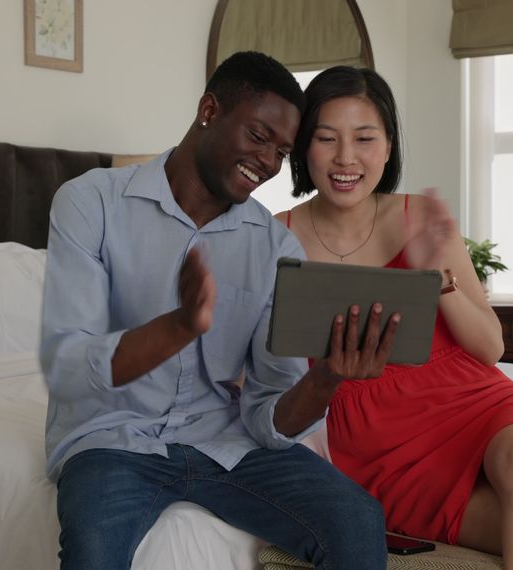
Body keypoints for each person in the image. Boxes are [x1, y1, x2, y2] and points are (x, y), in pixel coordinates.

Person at [41, 52, 400, 570]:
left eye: (282, 151)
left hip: (226, 443)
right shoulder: (90, 203)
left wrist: (326, 380)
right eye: (259, 136)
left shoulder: (276, 248)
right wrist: (178, 327)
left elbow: (268, 411)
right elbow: (73, 367)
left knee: (357, 520)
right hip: (111, 439)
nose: (269, 163)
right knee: (94, 548)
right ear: (209, 109)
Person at [276, 66, 513, 569]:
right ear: (303, 147)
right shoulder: (277, 238)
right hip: (379, 437)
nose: (346, 158)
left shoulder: (420, 215)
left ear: (387, 146)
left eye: (364, 138)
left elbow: (490, 347)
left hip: (475, 401)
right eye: (326, 138)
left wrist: (437, 277)